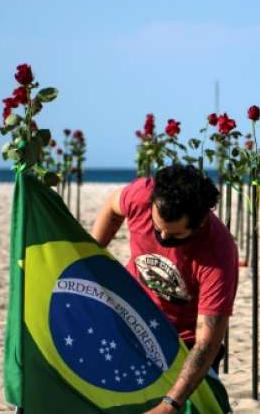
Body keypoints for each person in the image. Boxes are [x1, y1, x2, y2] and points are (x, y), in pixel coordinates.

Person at [90, 164, 238, 414]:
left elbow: (206, 343)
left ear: (200, 222)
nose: (163, 239)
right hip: (130, 319)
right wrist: (91, 255)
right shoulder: (141, 196)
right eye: (157, 229)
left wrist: (171, 404)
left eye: (174, 235)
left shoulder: (218, 253)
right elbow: (113, 207)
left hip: (184, 344)